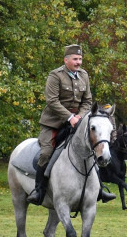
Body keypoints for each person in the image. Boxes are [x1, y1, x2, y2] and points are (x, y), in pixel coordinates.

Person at [28, 44, 115, 205]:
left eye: (80, 59)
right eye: (75, 59)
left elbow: (87, 101)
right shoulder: (55, 75)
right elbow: (52, 101)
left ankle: (100, 188)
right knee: (46, 152)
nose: (78, 62)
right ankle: (39, 190)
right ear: (66, 60)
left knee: (92, 148)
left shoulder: (84, 75)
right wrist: (69, 117)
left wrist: (80, 117)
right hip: (53, 123)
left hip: (77, 122)